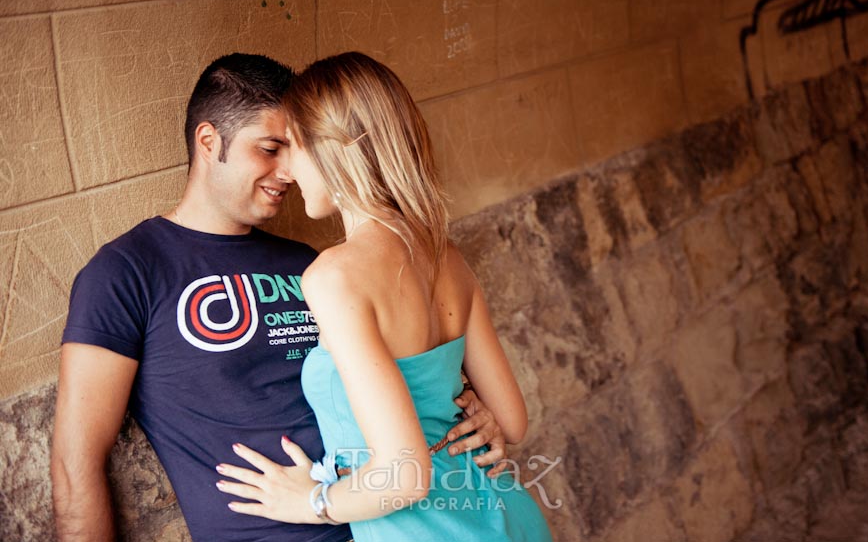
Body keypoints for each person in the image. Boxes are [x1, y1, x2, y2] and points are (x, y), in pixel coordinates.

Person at [50, 53, 506, 542]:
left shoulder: (311, 264)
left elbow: (396, 386)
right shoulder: (126, 271)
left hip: (389, 522)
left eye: (296, 148)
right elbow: (75, 463)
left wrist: (476, 413)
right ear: (209, 142)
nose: (288, 170)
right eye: (270, 148)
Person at [215, 52, 553, 541]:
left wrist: (310, 501)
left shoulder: (334, 276)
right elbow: (513, 423)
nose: (285, 169)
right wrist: (479, 414)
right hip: (508, 514)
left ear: (333, 149)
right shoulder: (446, 256)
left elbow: (406, 475)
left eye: (291, 145)